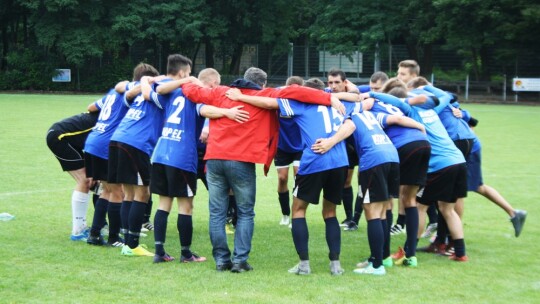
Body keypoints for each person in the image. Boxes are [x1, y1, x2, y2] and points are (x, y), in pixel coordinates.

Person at [180, 67, 336, 273]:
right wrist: (329, 98)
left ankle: (221, 260)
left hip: (214, 159)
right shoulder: (265, 94)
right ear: (262, 84)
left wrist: (187, 78)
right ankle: (239, 261)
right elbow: (297, 91)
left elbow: (190, 90)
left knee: (217, 213)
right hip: (241, 161)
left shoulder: (221, 92)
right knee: (245, 212)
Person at [225, 86, 348, 276]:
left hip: (315, 159)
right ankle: (336, 265)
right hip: (340, 162)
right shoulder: (335, 105)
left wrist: (241, 96)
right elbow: (353, 116)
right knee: (330, 212)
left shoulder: (301, 103)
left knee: (298, 210)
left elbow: (268, 103)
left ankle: (304, 265)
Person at [311, 105, 425, 275]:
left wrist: (329, 142)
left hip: (374, 159)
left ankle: (377, 266)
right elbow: (396, 119)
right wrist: (420, 126)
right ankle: (383, 258)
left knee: (372, 211)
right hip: (392, 156)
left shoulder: (347, 117)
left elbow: (348, 127)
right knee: (384, 209)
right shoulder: (370, 115)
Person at [367, 89, 469, 262]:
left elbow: (397, 102)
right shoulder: (432, 111)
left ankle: (408, 251)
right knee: (447, 209)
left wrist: (372, 94)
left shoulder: (411, 111)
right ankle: (460, 253)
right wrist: (429, 89)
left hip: (439, 165)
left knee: (419, 206)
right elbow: (447, 97)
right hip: (459, 160)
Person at [84, 63, 159, 247]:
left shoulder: (112, 93)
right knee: (117, 192)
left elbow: (91, 107)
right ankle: (114, 237)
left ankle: (95, 234)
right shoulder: (136, 91)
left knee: (107, 191)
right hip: (108, 144)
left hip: (94, 140)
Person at [108, 67, 166, 257]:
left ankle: (127, 244)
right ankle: (132, 245)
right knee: (142, 194)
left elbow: (121, 87)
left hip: (118, 140)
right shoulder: (157, 89)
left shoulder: (138, 89)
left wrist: (147, 81)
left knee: (129, 194)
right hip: (136, 143)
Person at [454, 105, 527, 237]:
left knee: (457, 189)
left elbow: (472, 120)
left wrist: (464, 116)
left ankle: (453, 235)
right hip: (465, 148)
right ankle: (514, 213)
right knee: (477, 187)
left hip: (468, 150)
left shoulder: (440, 101)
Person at [46, 110, 99, 241]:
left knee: (96, 181)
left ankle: (99, 225)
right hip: (60, 138)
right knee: (85, 180)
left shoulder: (109, 107)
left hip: (73, 141)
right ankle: (78, 231)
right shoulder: (114, 116)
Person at [326, 69, 360, 226]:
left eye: (337, 82)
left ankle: (353, 217)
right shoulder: (325, 93)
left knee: (354, 181)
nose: (333, 86)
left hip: (353, 144)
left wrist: (335, 96)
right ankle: (346, 217)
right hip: (336, 144)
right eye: (330, 82)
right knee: (341, 181)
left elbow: (356, 93)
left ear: (345, 83)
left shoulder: (352, 98)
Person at [275, 76, 305, 227]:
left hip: (300, 146)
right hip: (281, 146)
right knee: (282, 178)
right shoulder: (277, 100)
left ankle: (295, 215)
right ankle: (285, 214)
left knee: (298, 176)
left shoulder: (306, 102)